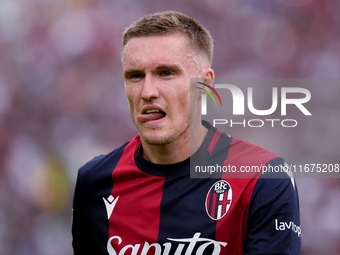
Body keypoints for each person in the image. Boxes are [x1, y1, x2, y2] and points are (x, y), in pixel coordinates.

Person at [72, 11, 301, 255]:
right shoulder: (94, 181)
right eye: (136, 76)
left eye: (166, 73)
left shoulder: (263, 177)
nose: (148, 91)